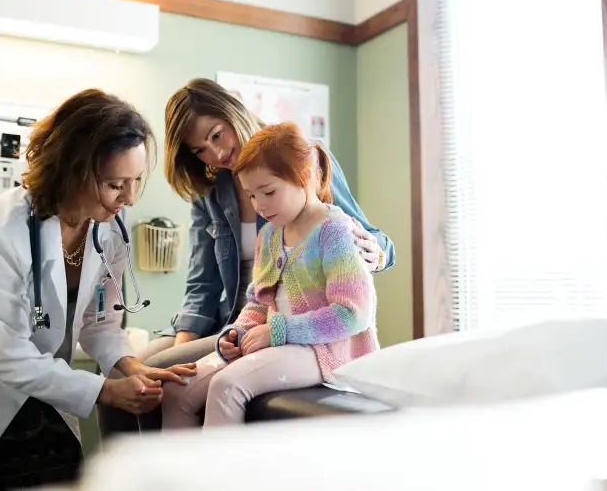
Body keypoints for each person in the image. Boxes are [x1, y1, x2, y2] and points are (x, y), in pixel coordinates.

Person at [0, 89, 196, 491]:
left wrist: (130, 366)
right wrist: (106, 391)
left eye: (136, 181)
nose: (130, 197)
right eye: (116, 183)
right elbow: (6, 355)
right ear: (73, 169)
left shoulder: (108, 228)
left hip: (38, 393)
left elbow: (99, 324)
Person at [97, 77, 393, 435]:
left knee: (158, 377)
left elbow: (365, 247)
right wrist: (188, 336)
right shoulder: (214, 192)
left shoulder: (303, 164)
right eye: (200, 149)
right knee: (119, 372)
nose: (216, 154)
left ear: (232, 112)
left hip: (289, 323)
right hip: (237, 320)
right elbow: (203, 278)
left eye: (217, 135)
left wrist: (374, 252)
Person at [161, 121, 379, 427]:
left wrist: (277, 331)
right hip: (281, 342)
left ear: (302, 178)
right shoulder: (271, 236)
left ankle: (220, 476)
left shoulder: (335, 231)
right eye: (252, 196)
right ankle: (177, 475)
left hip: (325, 349)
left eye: (268, 192)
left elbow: (352, 315)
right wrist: (235, 333)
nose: (259, 206)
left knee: (227, 386)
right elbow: (259, 303)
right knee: (176, 390)